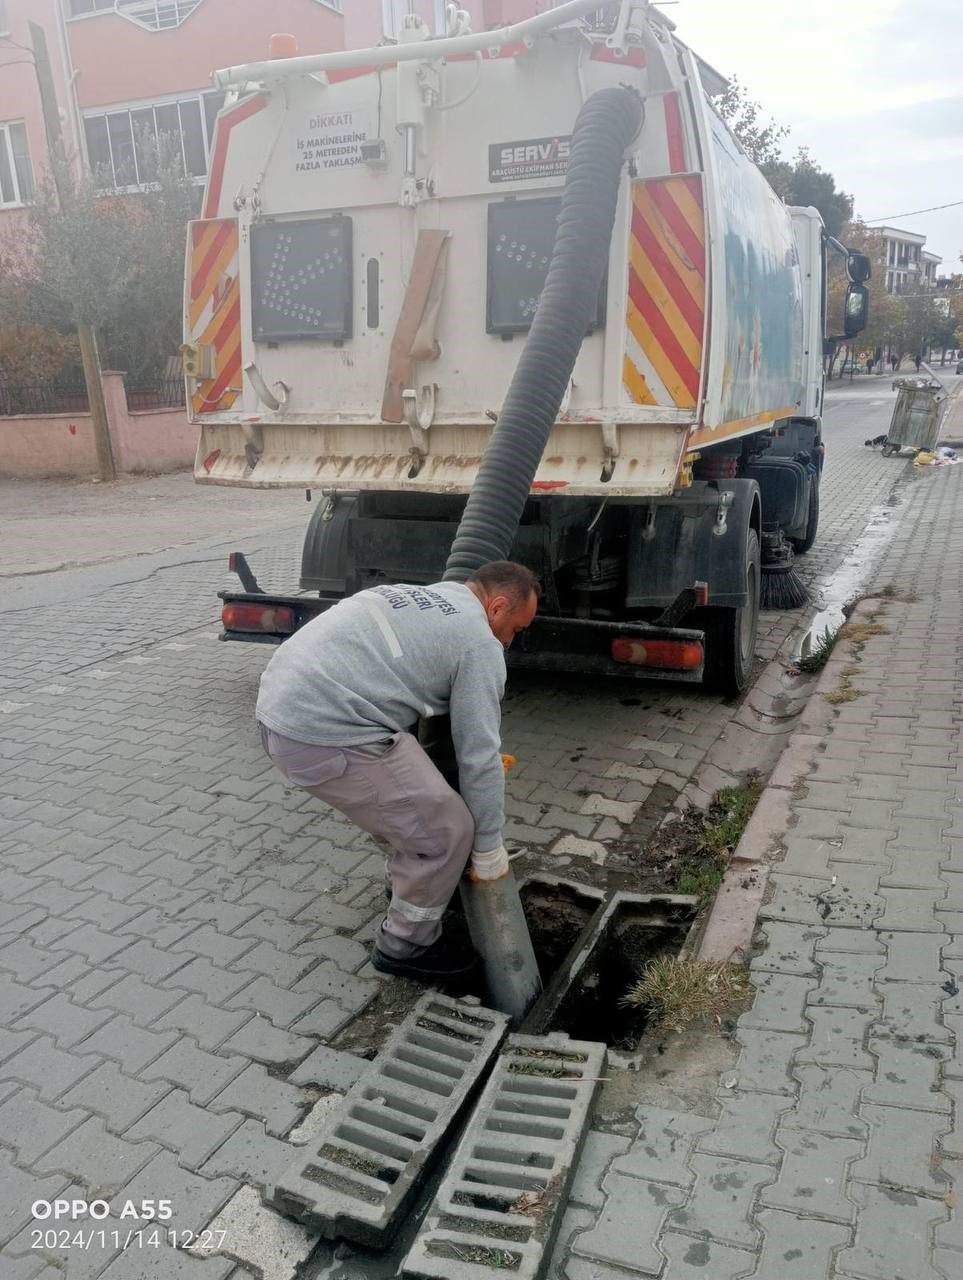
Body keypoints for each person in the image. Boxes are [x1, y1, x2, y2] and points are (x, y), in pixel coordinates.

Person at [255, 560, 540, 983]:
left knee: (417, 807)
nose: (511, 641)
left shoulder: (422, 597)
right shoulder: (478, 642)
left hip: (280, 711)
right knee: (446, 830)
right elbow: (479, 757)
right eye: (516, 629)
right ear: (497, 607)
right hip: (321, 732)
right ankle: (406, 944)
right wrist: (489, 849)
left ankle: (414, 888)